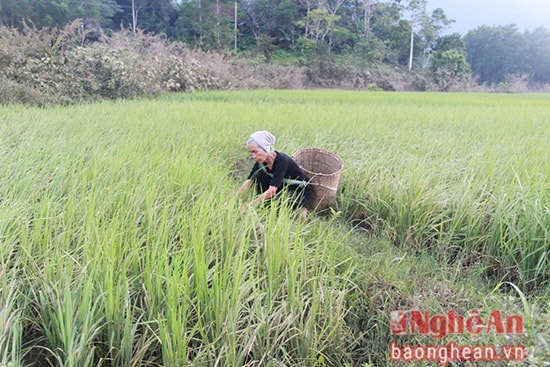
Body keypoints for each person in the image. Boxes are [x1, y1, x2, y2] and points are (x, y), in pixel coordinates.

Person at [237, 131, 313, 219]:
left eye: (255, 152)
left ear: (265, 148)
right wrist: (234, 201)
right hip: (282, 186)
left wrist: (249, 205)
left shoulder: (282, 161)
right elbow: (248, 182)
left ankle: (302, 209)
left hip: (297, 190)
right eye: (251, 153)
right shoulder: (260, 162)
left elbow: (272, 191)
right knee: (259, 177)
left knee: (280, 207)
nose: (253, 156)